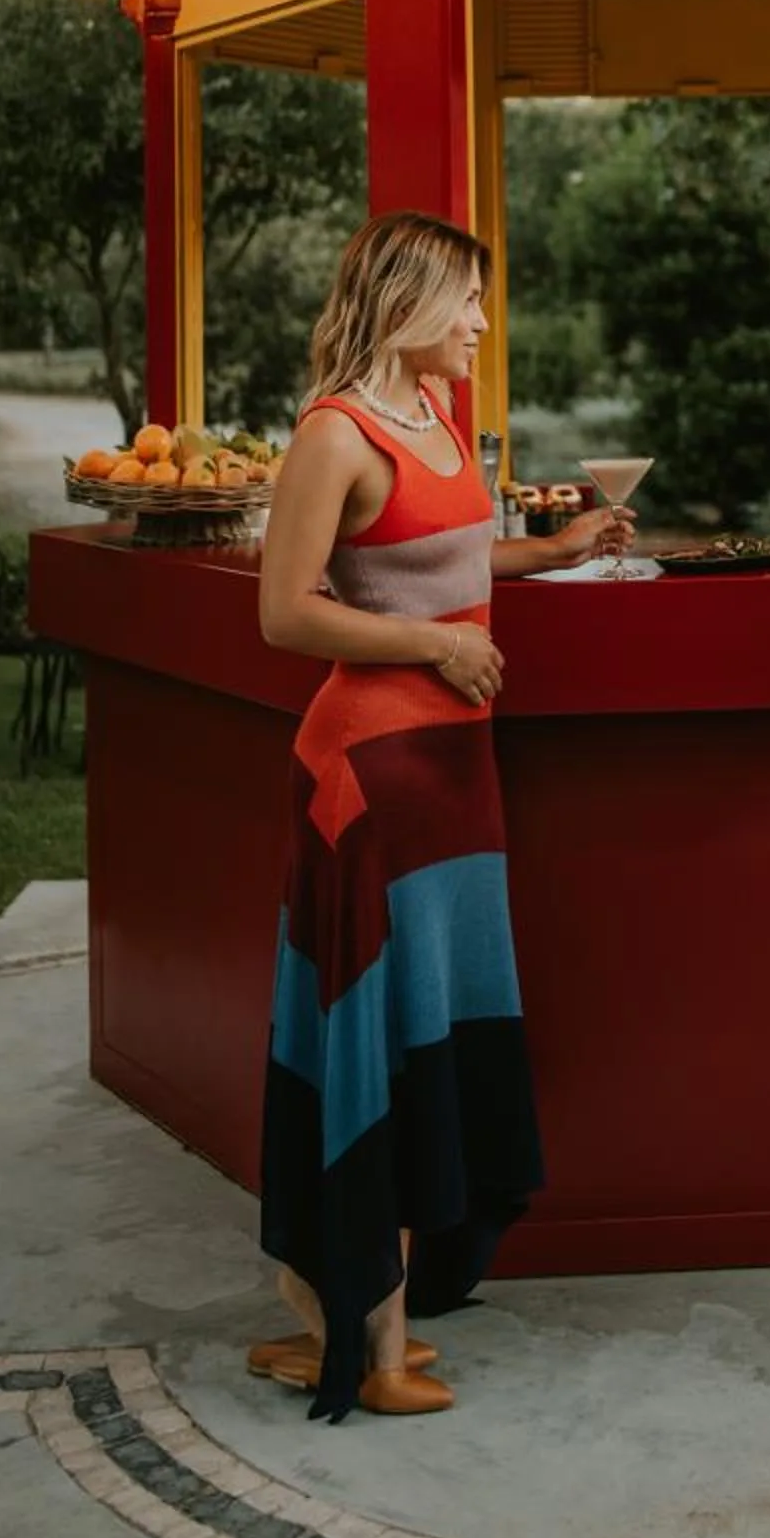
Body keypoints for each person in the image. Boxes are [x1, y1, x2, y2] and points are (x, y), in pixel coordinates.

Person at [247, 209, 632, 1421]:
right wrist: (427, 647)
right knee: (381, 1034)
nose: (478, 321)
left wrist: (555, 550)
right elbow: (285, 613)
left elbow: (447, 565)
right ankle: (371, 1334)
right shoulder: (335, 433)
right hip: (371, 780)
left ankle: (369, 1312)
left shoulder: (435, 421)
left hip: (456, 778)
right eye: (464, 299)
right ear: (407, 299)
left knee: (434, 1035)